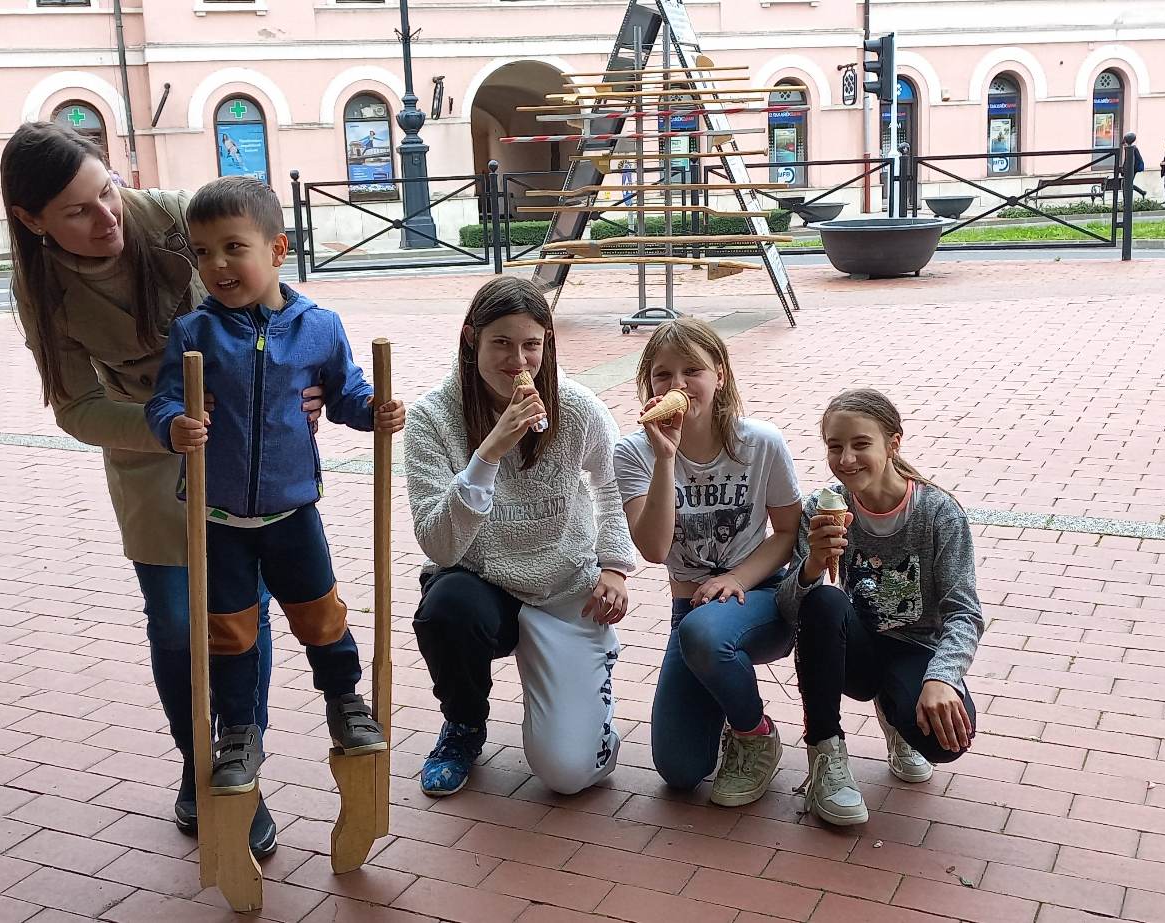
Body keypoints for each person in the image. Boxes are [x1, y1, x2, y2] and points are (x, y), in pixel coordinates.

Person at [0, 121, 321, 856]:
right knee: (176, 622)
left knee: (240, 617)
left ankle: (240, 772)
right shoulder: (39, 285)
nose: (105, 217)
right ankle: (197, 760)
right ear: (32, 220)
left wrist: (306, 378)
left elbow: (274, 295)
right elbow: (77, 406)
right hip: (150, 453)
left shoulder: (176, 218)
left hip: (243, 451)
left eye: (107, 191)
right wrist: (164, 427)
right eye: (77, 211)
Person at [144, 175, 403, 794]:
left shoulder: (319, 326)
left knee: (321, 615)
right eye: (202, 252)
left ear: (277, 249)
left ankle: (344, 701)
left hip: (292, 512)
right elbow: (164, 401)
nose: (217, 264)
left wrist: (374, 411)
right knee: (230, 630)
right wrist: (174, 425)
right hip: (219, 518)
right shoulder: (194, 333)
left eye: (233, 247)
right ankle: (238, 729)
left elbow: (344, 393)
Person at [405, 277, 636, 797]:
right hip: (485, 583)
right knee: (446, 610)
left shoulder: (576, 407)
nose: (518, 361)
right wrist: (487, 454)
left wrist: (615, 566)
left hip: (566, 587)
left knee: (568, 774)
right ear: (472, 339)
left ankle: (584, 705)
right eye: (501, 343)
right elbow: (438, 545)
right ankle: (464, 725)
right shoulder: (431, 418)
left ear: (547, 342)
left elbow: (610, 484)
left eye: (531, 344)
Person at [615, 319, 801, 806]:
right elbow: (654, 550)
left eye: (691, 371)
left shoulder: (760, 443)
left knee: (705, 634)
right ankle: (721, 698)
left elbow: (788, 532)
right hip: (691, 611)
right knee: (679, 771)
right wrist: (665, 458)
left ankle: (754, 734)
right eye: (662, 374)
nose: (676, 384)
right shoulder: (633, 453)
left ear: (719, 374)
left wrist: (736, 577)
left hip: (761, 595)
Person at [781, 389, 986, 826]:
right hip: (855, 646)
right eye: (835, 446)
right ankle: (825, 753)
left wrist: (942, 678)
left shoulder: (937, 513)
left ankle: (897, 715)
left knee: (946, 742)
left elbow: (964, 611)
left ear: (893, 444)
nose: (846, 459)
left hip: (916, 647)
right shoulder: (820, 508)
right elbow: (789, 610)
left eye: (861, 444)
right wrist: (813, 564)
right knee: (824, 600)